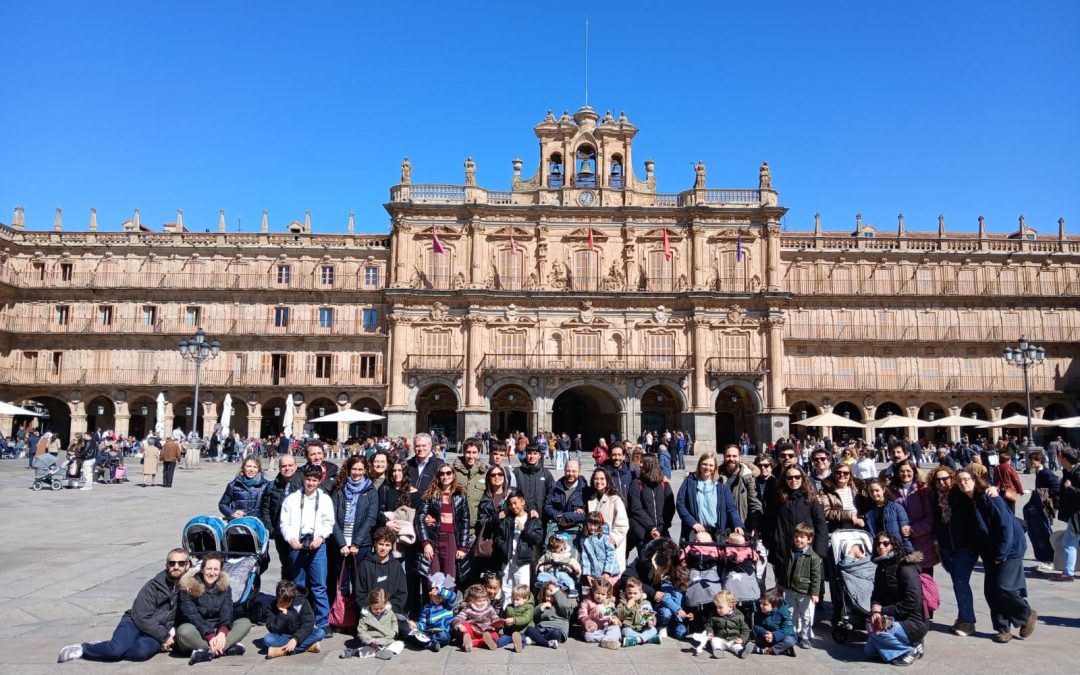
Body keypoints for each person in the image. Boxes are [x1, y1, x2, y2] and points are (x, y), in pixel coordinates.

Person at [58, 548, 188, 663]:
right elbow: (142, 616)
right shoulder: (153, 586)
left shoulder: (187, 587)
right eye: (172, 563)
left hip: (156, 631)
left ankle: (108, 646)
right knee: (116, 651)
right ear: (166, 565)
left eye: (181, 563)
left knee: (140, 654)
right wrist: (164, 637)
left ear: (187, 565)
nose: (176, 567)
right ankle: (84, 649)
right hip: (134, 622)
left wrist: (171, 633)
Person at [960, 468, 1038, 643]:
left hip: (1010, 548)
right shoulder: (968, 501)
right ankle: (1003, 629)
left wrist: (1001, 553)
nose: (963, 483)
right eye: (960, 481)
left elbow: (1006, 527)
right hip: (989, 550)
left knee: (1004, 586)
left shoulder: (989, 498)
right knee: (991, 590)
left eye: (966, 479)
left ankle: (1026, 614)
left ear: (975, 480)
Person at [280, 464, 336, 634]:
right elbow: (284, 523)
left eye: (314, 480)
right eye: (308, 479)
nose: (310, 483)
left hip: (317, 545)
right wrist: (290, 538)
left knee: (319, 585)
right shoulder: (292, 499)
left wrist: (320, 537)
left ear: (319, 481)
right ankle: (299, 618)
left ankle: (323, 621)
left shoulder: (325, 499)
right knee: (299, 585)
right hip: (296, 545)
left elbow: (329, 522)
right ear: (303, 479)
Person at [176, 551, 251, 664]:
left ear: (220, 571)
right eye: (208, 569)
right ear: (202, 569)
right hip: (197, 631)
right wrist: (210, 636)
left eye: (216, 569)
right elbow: (192, 616)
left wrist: (221, 633)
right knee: (183, 632)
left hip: (217, 628)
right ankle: (225, 648)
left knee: (245, 622)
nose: (212, 573)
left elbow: (227, 611)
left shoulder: (225, 586)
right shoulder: (188, 587)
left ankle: (207, 653)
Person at [865, 532, 927, 666]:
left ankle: (910, 649)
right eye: (878, 544)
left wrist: (883, 610)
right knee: (870, 651)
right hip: (892, 618)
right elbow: (876, 594)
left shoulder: (905, 567)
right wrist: (875, 610)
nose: (881, 547)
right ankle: (907, 643)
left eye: (886, 544)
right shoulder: (881, 566)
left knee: (876, 629)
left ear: (894, 546)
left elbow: (912, 601)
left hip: (913, 622)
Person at [329, 455, 377, 609]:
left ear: (365, 471)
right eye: (354, 469)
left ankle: (357, 618)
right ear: (348, 469)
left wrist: (356, 543)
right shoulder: (339, 489)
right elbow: (332, 517)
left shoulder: (370, 491)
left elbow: (371, 518)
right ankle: (342, 616)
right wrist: (342, 543)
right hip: (340, 544)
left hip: (361, 545)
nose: (356, 472)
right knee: (341, 581)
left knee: (359, 583)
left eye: (360, 469)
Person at [767, 466, 828, 581]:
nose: (793, 480)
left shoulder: (811, 499)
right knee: (784, 591)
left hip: (808, 551)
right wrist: (773, 545)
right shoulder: (778, 499)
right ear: (785, 480)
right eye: (789, 478)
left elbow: (821, 526)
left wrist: (820, 553)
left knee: (809, 590)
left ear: (803, 478)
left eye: (797, 477)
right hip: (783, 552)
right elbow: (770, 524)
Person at [417, 461, 471, 582]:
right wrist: (425, 543)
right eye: (442, 474)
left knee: (448, 579)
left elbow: (465, 522)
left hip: (451, 539)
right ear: (438, 476)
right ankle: (434, 601)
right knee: (433, 579)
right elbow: (420, 518)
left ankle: (448, 601)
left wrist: (463, 547)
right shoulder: (431, 495)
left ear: (453, 475)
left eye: (448, 473)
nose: (445, 477)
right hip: (433, 539)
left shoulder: (460, 495)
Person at [676, 451, 745, 544]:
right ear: (699, 464)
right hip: (697, 531)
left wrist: (737, 524)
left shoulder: (722, 484)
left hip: (717, 531)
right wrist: (692, 522)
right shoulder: (689, 481)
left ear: (715, 467)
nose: (707, 468)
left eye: (711, 465)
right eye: (704, 464)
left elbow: (731, 508)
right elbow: (680, 504)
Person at [354, 527, 410, 635]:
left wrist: (389, 609)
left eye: (387, 545)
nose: (383, 548)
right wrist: (374, 610)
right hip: (371, 613)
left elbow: (402, 593)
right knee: (372, 634)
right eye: (381, 544)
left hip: (391, 611)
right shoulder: (365, 565)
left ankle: (429, 642)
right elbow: (359, 594)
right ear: (375, 544)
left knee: (407, 630)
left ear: (391, 547)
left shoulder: (396, 566)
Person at [493, 489, 543, 601]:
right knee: (506, 587)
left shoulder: (532, 519)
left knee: (521, 588)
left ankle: (521, 614)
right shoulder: (508, 519)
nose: (513, 506)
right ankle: (506, 613)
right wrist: (503, 547)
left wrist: (524, 530)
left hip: (523, 560)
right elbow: (498, 537)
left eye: (515, 503)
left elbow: (537, 538)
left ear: (523, 502)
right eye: (510, 504)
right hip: (508, 558)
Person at [778, 522, 822, 649]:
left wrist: (814, 593)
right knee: (791, 613)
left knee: (806, 616)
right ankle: (794, 633)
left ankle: (805, 636)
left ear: (809, 539)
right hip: (790, 590)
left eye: (802, 537)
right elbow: (784, 569)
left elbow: (816, 577)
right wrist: (781, 585)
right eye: (797, 536)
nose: (798, 539)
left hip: (805, 592)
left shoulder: (813, 557)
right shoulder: (790, 552)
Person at [890, 460, 939, 572]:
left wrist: (912, 529)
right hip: (900, 543)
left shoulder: (923, 489)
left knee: (925, 583)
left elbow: (930, 518)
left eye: (908, 471)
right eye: (902, 471)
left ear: (914, 472)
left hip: (922, 544)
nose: (905, 474)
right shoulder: (891, 490)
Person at [261, 453, 302, 579]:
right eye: (284, 466)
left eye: (290, 465)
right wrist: (272, 530)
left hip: (299, 534)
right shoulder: (272, 486)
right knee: (285, 565)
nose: (287, 468)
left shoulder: (304, 484)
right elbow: (265, 509)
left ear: (296, 466)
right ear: (279, 468)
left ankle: (300, 596)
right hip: (280, 534)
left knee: (299, 566)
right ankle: (286, 596)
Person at [627, 454, 676, 553]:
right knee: (645, 563)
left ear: (651, 465)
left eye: (643, 462)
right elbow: (636, 508)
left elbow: (670, 508)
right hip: (643, 532)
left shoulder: (664, 484)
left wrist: (661, 527)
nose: (640, 465)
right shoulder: (636, 484)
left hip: (662, 532)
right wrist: (651, 527)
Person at [262, 580, 324, 658]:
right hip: (283, 635)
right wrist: (283, 615)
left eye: (286, 603)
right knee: (268, 639)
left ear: (292, 599)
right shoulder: (272, 606)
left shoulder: (302, 602)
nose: (283, 605)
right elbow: (273, 629)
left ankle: (284, 651)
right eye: (281, 602)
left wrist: (295, 639)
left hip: (301, 635)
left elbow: (308, 623)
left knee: (320, 633)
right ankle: (307, 647)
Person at [586, 467, 631, 570]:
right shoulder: (592, 498)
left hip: (610, 546)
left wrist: (614, 537)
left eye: (602, 479)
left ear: (607, 480)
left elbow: (623, 524)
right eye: (596, 479)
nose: (599, 481)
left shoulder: (615, 499)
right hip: (595, 546)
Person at [342, 587, 404, 660]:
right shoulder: (366, 615)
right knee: (367, 649)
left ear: (385, 604)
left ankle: (388, 652)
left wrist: (394, 631)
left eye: (381, 608)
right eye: (375, 608)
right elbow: (361, 631)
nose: (378, 611)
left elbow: (394, 622)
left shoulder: (389, 612)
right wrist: (369, 640)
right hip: (373, 641)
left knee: (399, 644)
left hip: (387, 640)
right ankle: (353, 652)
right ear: (370, 604)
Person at [691, 589, 750, 658]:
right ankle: (718, 651)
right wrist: (710, 632)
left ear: (730, 606)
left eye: (720, 607)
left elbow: (745, 630)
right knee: (714, 640)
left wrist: (742, 639)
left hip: (733, 639)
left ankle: (741, 652)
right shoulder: (714, 615)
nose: (717, 610)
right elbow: (708, 625)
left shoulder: (739, 616)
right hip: (720, 639)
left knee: (736, 645)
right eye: (716, 607)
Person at [452, 583, 512, 651]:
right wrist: (459, 625)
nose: (482, 602)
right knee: (465, 625)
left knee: (495, 636)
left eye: (484, 600)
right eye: (479, 601)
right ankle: (467, 639)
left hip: (486, 632)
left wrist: (499, 623)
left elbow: (495, 618)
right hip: (473, 631)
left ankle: (472, 643)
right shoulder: (467, 609)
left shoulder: (489, 608)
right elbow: (457, 618)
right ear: (472, 600)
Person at [1050, 447, 1080, 582]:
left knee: (1069, 542)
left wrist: (1070, 488)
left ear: (1066, 460)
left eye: (1061, 457)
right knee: (1071, 542)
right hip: (1072, 514)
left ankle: (1068, 573)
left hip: (1077, 515)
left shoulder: (1078, 473)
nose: (1059, 459)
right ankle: (1068, 572)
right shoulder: (1068, 472)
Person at [718, 444, 764, 532]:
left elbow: (755, 503)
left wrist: (755, 526)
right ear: (724, 457)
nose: (731, 459)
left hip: (742, 527)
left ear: (740, 458)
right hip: (721, 528)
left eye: (734, 456)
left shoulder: (748, 477)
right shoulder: (717, 477)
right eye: (728, 456)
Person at [408, 574, 457, 652]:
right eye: (435, 597)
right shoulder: (427, 608)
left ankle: (428, 642)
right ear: (430, 596)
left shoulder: (447, 605)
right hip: (429, 632)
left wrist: (439, 590)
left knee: (444, 636)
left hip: (442, 631)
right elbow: (423, 623)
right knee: (412, 636)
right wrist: (416, 625)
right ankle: (431, 644)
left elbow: (453, 596)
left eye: (440, 597)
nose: (437, 599)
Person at [864, 478, 912, 552]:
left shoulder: (896, 507)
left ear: (883, 490)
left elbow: (905, 533)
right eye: (871, 491)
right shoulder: (869, 513)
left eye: (877, 490)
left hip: (897, 550)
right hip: (880, 550)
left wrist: (909, 551)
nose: (874, 494)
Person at [544, 459, 587, 539]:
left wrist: (567, 516)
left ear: (579, 472)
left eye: (574, 471)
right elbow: (547, 507)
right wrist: (558, 515)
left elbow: (586, 514)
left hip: (576, 531)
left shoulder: (585, 490)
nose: (571, 474)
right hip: (556, 528)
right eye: (568, 471)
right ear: (564, 470)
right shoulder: (554, 487)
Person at [577, 577, 622, 649]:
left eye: (603, 594)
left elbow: (613, 614)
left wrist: (614, 620)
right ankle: (609, 639)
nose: (600, 596)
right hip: (594, 629)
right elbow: (582, 614)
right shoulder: (587, 601)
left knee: (615, 628)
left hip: (607, 626)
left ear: (607, 594)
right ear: (593, 591)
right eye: (597, 593)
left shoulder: (609, 602)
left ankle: (608, 640)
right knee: (587, 636)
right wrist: (588, 621)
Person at [751, 587, 797, 656]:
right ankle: (783, 649)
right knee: (758, 640)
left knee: (790, 640)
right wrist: (765, 633)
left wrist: (774, 635)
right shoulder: (759, 610)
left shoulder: (783, 611)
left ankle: (768, 650)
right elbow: (756, 626)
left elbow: (787, 629)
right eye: (761, 602)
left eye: (765, 604)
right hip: (767, 636)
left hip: (780, 636)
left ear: (774, 606)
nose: (761, 605)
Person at [452, 437, 488, 524]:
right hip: (456, 523)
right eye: (468, 452)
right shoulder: (453, 472)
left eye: (474, 452)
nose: (471, 456)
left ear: (479, 453)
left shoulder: (484, 474)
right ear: (464, 452)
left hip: (476, 525)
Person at [615, 576, 660, 646]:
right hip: (629, 628)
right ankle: (647, 639)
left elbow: (651, 615)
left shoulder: (645, 603)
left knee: (654, 630)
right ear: (626, 592)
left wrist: (651, 621)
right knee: (625, 632)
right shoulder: (623, 602)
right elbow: (619, 616)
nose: (632, 595)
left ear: (640, 593)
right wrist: (627, 607)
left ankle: (636, 640)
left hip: (642, 628)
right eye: (629, 593)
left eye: (635, 593)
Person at [526, 581, 572, 648]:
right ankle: (547, 643)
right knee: (529, 629)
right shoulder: (542, 604)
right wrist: (542, 607)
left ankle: (536, 640)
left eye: (552, 596)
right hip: (543, 629)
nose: (549, 599)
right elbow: (534, 616)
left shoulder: (562, 606)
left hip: (557, 629)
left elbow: (564, 606)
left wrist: (556, 591)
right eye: (547, 596)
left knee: (555, 634)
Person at [514, 445, 552, 521]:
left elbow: (551, 494)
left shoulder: (545, 473)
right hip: (521, 515)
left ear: (539, 456)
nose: (532, 456)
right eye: (529, 453)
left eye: (535, 453)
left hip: (540, 516)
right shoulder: (517, 472)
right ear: (526, 454)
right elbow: (512, 494)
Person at [501, 584, 533, 652]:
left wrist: (514, 620)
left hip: (522, 630)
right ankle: (495, 643)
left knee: (522, 638)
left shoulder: (529, 607)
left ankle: (519, 646)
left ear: (525, 598)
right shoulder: (509, 607)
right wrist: (501, 629)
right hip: (510, 631)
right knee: (504, 638)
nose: (515, 601)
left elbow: (526, 618)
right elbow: (504, 617)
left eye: (517, 599)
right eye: (513, 599)